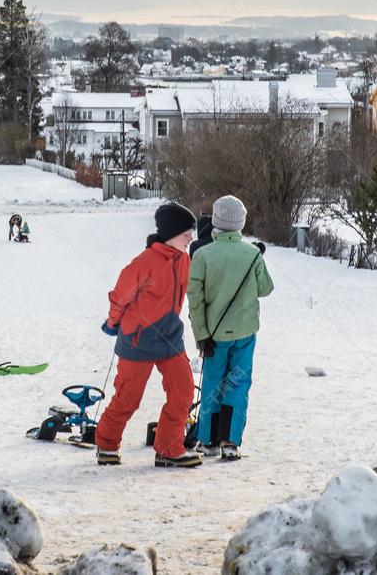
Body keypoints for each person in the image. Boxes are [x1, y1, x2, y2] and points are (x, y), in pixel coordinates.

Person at [94, 203, 202, 469]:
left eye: (192, 234)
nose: (190, 239)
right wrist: (113, 323)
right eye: (186, 234)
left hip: (170, 338)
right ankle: (106, 444)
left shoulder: (184, 259)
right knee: (128, 399)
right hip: (138, 339)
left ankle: (168, 448)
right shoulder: (145, 263)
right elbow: (122, 296)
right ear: (170, 234)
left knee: (184, 392)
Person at [187, 195, 274, 461]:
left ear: (215, 221)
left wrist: (201, 336)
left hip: (213, 336)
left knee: (213, 383)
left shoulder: (202, 255)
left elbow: (195, 301)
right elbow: (265, 289)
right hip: (245, 334)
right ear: (240, 223)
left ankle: (208, 441)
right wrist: (259, 257)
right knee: (237, 384)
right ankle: (230, 442)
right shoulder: (251, 254)